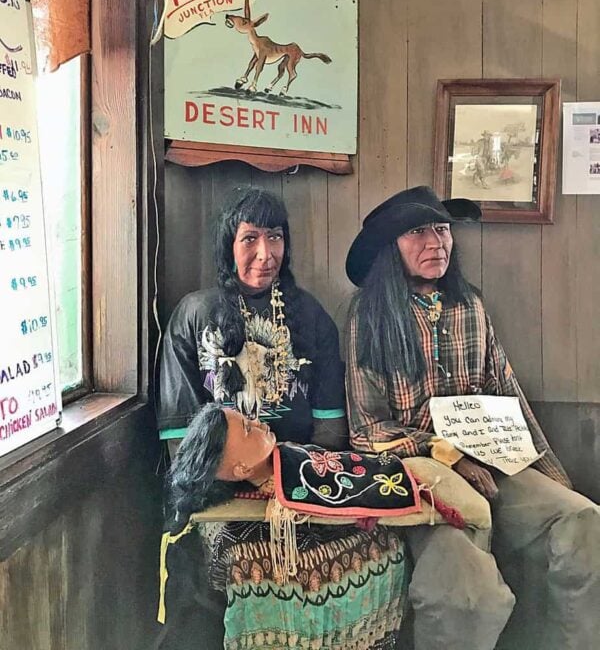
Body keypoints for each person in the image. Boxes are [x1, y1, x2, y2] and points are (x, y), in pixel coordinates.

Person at [344, 185, 600, 650]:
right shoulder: (369, 316)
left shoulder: (470, 306)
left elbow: (507, 392)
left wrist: (552, 474)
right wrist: (448, 455)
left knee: (583, 519)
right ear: (391, 248)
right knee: (468, 592)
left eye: (441, 229)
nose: (436, 242)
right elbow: (367, 428)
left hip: (494, 457)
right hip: (420, 473)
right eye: (417, 231)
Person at [164, 403, 411, 650]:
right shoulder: (235, 527)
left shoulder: (288, 458)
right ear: (242, 469)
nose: (259, 423)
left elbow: (338, 469)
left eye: (249, 420)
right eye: (249, 429)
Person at [158, 186, 347, 450]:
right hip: (219, 476)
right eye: (250, 239)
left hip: (297, 474)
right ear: (228, 247)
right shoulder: (194, 314)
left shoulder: (311, 314)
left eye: (274, 237)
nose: (265, 253)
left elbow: (330, 428)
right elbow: (180, 435)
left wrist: (294, 476)